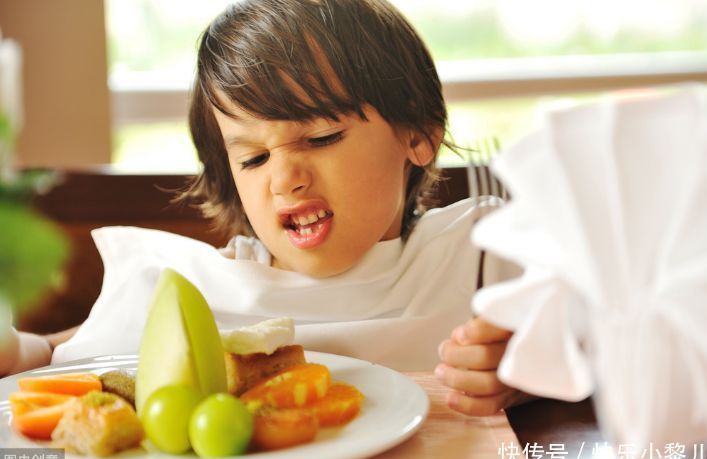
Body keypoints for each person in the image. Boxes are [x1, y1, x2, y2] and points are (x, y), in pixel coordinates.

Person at [0, 0, 526, 415]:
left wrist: (521, 378)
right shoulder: (219, 282)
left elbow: (586, 348)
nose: (285, 179)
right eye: (253, 158)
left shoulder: (475, 258)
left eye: (321, 138)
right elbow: (88, 346)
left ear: (418, 135)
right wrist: (27, 350)